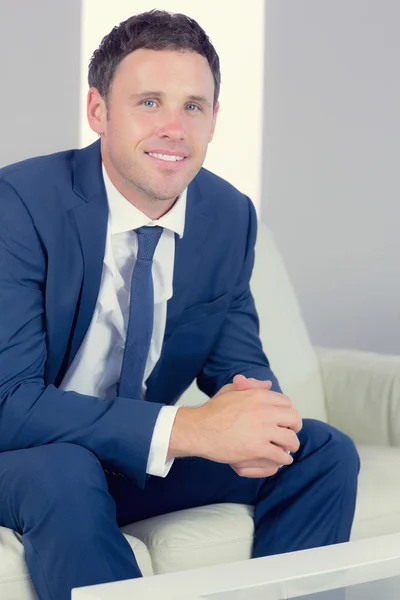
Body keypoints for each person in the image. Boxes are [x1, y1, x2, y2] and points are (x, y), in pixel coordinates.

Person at [0, 9, 359, 600]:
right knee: (63, 469)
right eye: (149, 103)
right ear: (98, 111)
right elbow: (9, 402)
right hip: (25, 459)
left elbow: (238, 362)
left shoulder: (229, 216)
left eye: (193, 106)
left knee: (320, 450)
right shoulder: (21, 205)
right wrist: (187, 428)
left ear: (214, 120)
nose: (175, 127)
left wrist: (256, 423)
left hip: (129, 458)